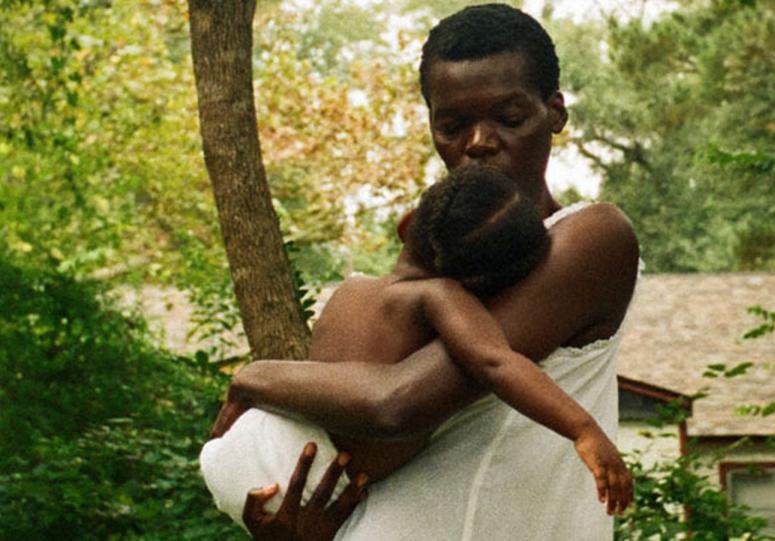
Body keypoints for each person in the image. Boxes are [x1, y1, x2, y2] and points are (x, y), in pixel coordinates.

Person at [212, 4, 641, 540]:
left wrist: (257, 376)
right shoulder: (421, 283)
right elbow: (343, 456)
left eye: (508, 118)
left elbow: (395, 403)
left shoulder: (590, 238)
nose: (479, 142)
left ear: (555, 112)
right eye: (452, 125)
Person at [200, 165, 632, 530]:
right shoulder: (437, 296)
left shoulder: (348, 292)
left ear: (407, 224)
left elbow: (324, 379)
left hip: (244, 446)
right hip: (303, 478)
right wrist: (583, 429)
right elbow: (496, 360)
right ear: (483, 288)